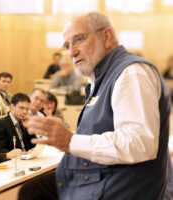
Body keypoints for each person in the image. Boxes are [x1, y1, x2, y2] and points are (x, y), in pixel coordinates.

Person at [20, 12, 173, 200]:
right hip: (99, 179)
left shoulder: (131, 74)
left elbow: (140, 143)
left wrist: (70, 141)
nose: (71, 52)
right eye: (67, 45)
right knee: (33, 190)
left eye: (78, 40)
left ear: (107, 36)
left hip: (120, 188)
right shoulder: (98, 79)